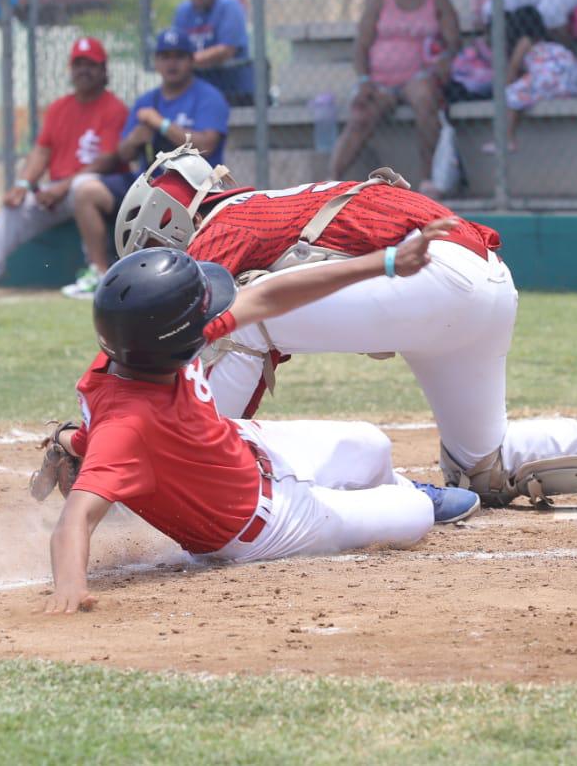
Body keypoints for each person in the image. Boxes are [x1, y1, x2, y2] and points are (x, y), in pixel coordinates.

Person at [112, 143, 577, 513]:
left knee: (241, 323)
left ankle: (203, 477)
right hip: (487, 279)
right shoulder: (269, 201)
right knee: (483, 470)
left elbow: (192, 332)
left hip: (435, 277)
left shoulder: (228, 219)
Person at [37, 236, 488, 614]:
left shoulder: (139, 350)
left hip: (244, 448)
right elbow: (76, 518)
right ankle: (406, 498)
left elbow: (271, 296)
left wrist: (385, 262)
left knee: (372, 444)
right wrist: (69, 588)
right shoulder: (128, 424)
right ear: (177, 339)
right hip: (261, 526)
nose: (212, 315)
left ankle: (385, 488)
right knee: (413, 515)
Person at [0, 37, 129, 298]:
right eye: (78, 64)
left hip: (96, 189)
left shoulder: (114, 108)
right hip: (57, 191)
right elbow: (41, 150)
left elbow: (107, 160)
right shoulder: (59, 108)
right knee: (16, 205)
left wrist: (61, 188)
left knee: (81, 187)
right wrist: (22, 185)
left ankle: (97, 273)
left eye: (91, 64)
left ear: (104, 70)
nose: (84, 70)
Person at [65, 27, 230, 300]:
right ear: (156, 62)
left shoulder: (208, 96)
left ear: (191, 61)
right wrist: (135, 138)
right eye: (165, 56)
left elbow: (207, 145)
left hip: (197, 189)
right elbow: (124, 155)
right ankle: (100, 273)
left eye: (179, 56)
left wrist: (161, 124)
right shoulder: (147, 101)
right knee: (85, 190)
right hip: (149, 185)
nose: (172, 63)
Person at [330, 0, 460, 192]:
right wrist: (365, 81)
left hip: (419, 77)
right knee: (361, 116)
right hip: (380, 82)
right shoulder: (380, 0)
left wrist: (444, 61)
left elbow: (453, 43)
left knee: (425, 101)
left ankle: (427, 179)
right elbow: (361, 46)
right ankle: (331, 181)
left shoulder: (438, 1)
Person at [173, 0, 254, 107]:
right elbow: (175, 49)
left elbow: (226, 50)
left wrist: (185, 61)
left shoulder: (229, 6)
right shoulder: (183, 11)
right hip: (196, 92)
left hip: (233, 93)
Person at [494, 36, 577, 152]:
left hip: (552, 78)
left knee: (509, 93)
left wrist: (502, 88)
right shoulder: (550, 44)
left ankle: (507, 139)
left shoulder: (524, 42)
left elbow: (513, 70)